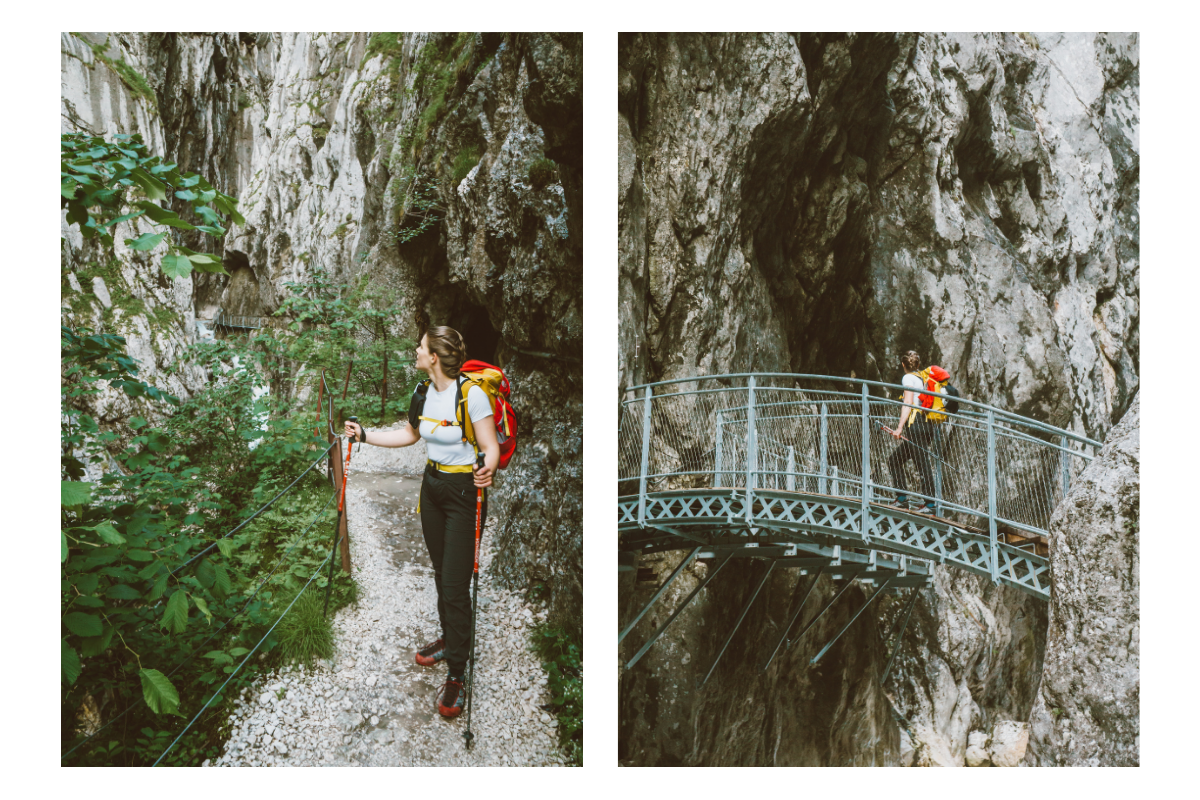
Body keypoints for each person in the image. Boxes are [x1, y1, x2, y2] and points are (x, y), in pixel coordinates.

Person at [345, 326, 500, 718]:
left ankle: (458, 674)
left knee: (454, 584)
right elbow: (410, 435)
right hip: (431, 489)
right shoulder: (423, 392)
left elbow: (490, 446)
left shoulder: (472, 395)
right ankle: (450, 639)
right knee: (440, 573)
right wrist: (365, 436)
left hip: (464, 493)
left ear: (435, 356)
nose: (415, 349)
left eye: (421, 346)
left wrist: (488, 469)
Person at [885, 350, 936, 515]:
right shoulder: (922, 378)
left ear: (903, 365)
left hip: (916, 426)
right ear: (918, 365)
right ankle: (902, 499)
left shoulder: (907, 378)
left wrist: (899, 427)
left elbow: (908, 402)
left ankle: (930, 504)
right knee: (895, 460)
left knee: (922, 464)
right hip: (926, 426)